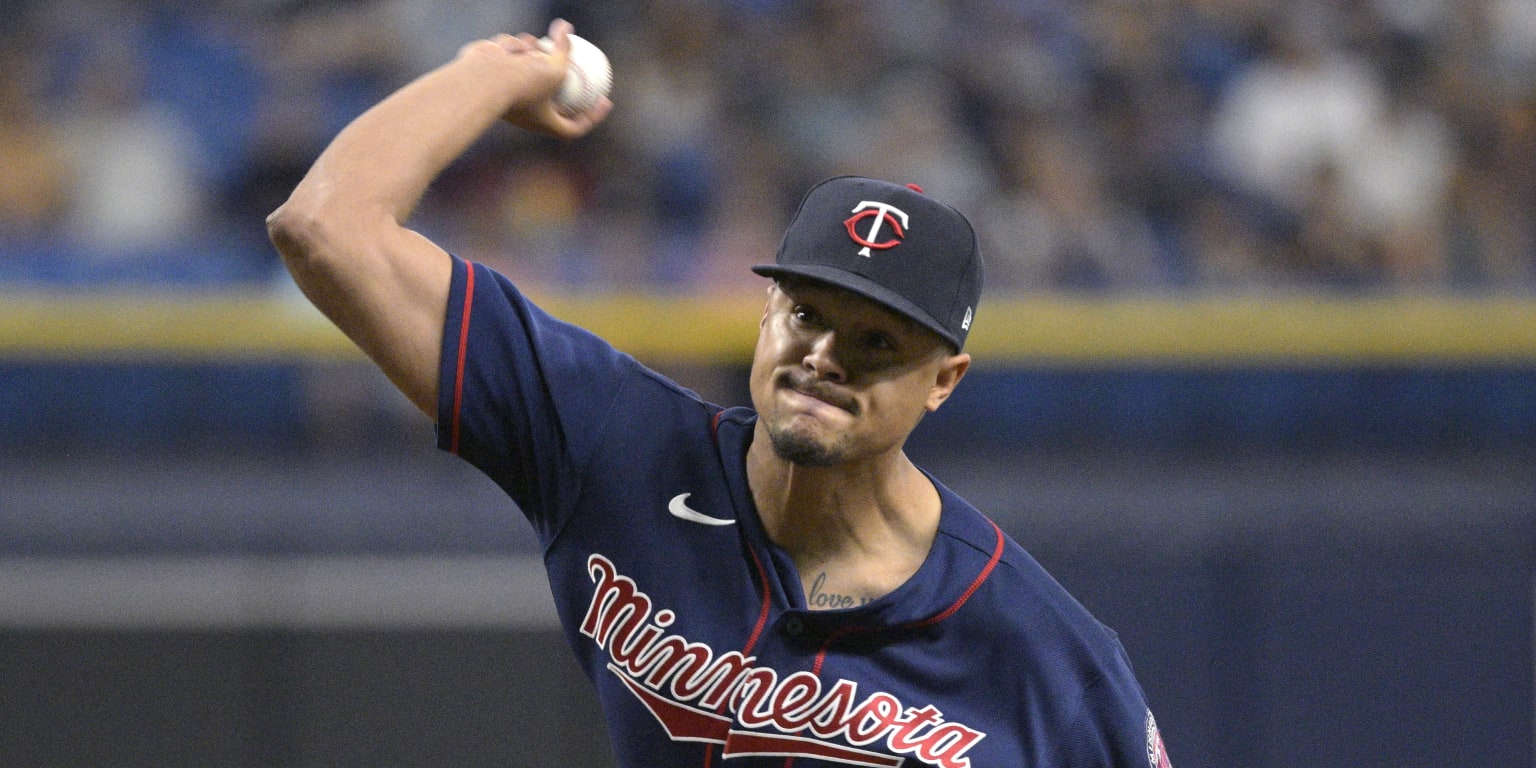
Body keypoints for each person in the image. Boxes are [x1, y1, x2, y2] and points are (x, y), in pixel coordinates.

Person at [268, 20, 1173, 768]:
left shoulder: (1048, 658)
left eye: (875, 342)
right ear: (766, 309)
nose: (823, 356)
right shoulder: (612, 443)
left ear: (944, 382)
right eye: (806, 313)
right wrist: (494, 78)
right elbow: (324, 228)